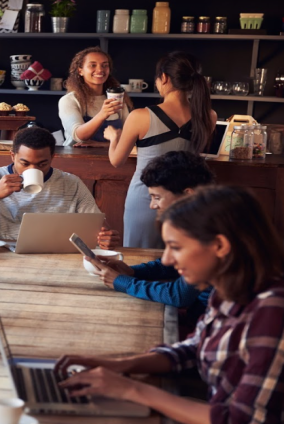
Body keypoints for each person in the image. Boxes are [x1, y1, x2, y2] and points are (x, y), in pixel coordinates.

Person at [57, 186, 284, 423]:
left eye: (176, 247)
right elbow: (196, 348)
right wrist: (119, 365)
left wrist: (132, 390)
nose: (166, 259)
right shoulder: (229, 288)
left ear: (220, 246)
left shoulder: (272, 312)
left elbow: (238, 420)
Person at [84, 151, 215, 331]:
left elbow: (178, 295)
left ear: (188, 195)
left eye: (157, 197)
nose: (152, 205)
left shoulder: (207, 231)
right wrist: (132, 272)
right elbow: (169, 266)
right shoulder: (201, 218)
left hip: (204, 326)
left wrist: (123, 282)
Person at [106, 51, 216, 248]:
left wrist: (114, 138)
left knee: (139, 263)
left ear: (164, 78)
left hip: (146, 198)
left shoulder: (140, 116)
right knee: (178, 261)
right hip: (185, 199)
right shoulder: (209, 116)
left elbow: (116, 160)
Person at [0, 127, 120, 248]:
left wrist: (106, 238)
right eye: (24, 163)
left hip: (56, 259)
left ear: (53, 158)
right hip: (3, 259)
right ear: (12, 156)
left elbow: (99, 229)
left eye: (42, 164)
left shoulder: (71, 183)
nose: (32, 170)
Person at [59, 47, 132, 147]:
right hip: (77, 159)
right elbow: (78, 136)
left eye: (105, 65)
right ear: (80, 71)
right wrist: (103, 114)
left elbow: (129, 137)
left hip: (112, 159)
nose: (100, 69)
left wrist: (101, 145)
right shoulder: (69, 100)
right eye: (93, 65)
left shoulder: (117, 98)